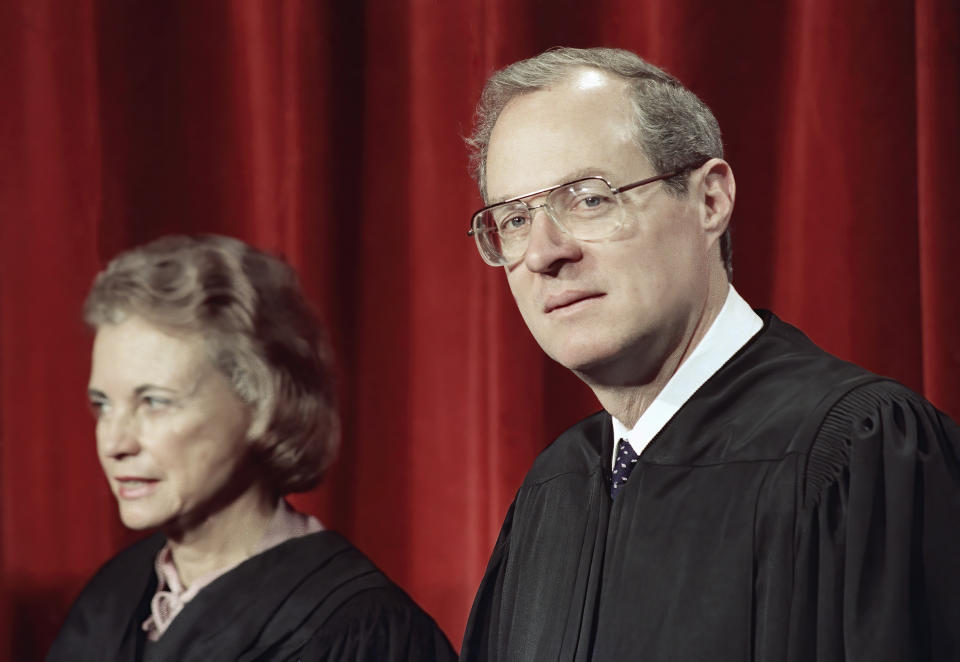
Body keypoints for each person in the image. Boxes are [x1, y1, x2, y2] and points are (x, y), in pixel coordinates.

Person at [459, 47, 960, 661]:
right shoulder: (554, 492)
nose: (542, 253)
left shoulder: (859, 451)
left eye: (588, 199)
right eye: (512, 220)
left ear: (709, 201)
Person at [48, 235, 456, 662]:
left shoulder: (357, 631)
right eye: (102, 405)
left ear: (260, 401)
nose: (115, 443)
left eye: (154, 401)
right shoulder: (114, 598)